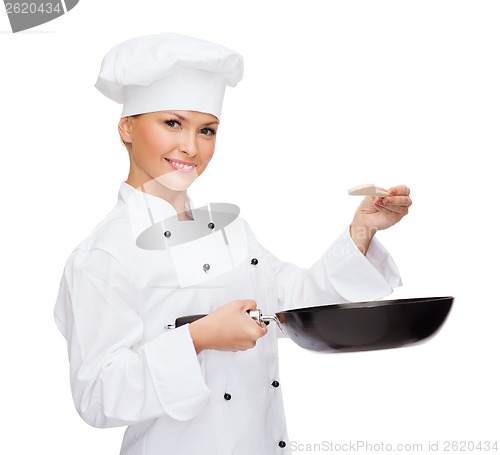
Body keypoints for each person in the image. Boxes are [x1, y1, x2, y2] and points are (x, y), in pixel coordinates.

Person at [54, 32, 412, 455]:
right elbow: (97, 395)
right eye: (172, 123)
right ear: (126, 127)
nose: (191, 146)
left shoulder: (226, 229)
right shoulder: (103, 254)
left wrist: (362, 230)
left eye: (207, 130)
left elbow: (291, 304)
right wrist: (198, 338)